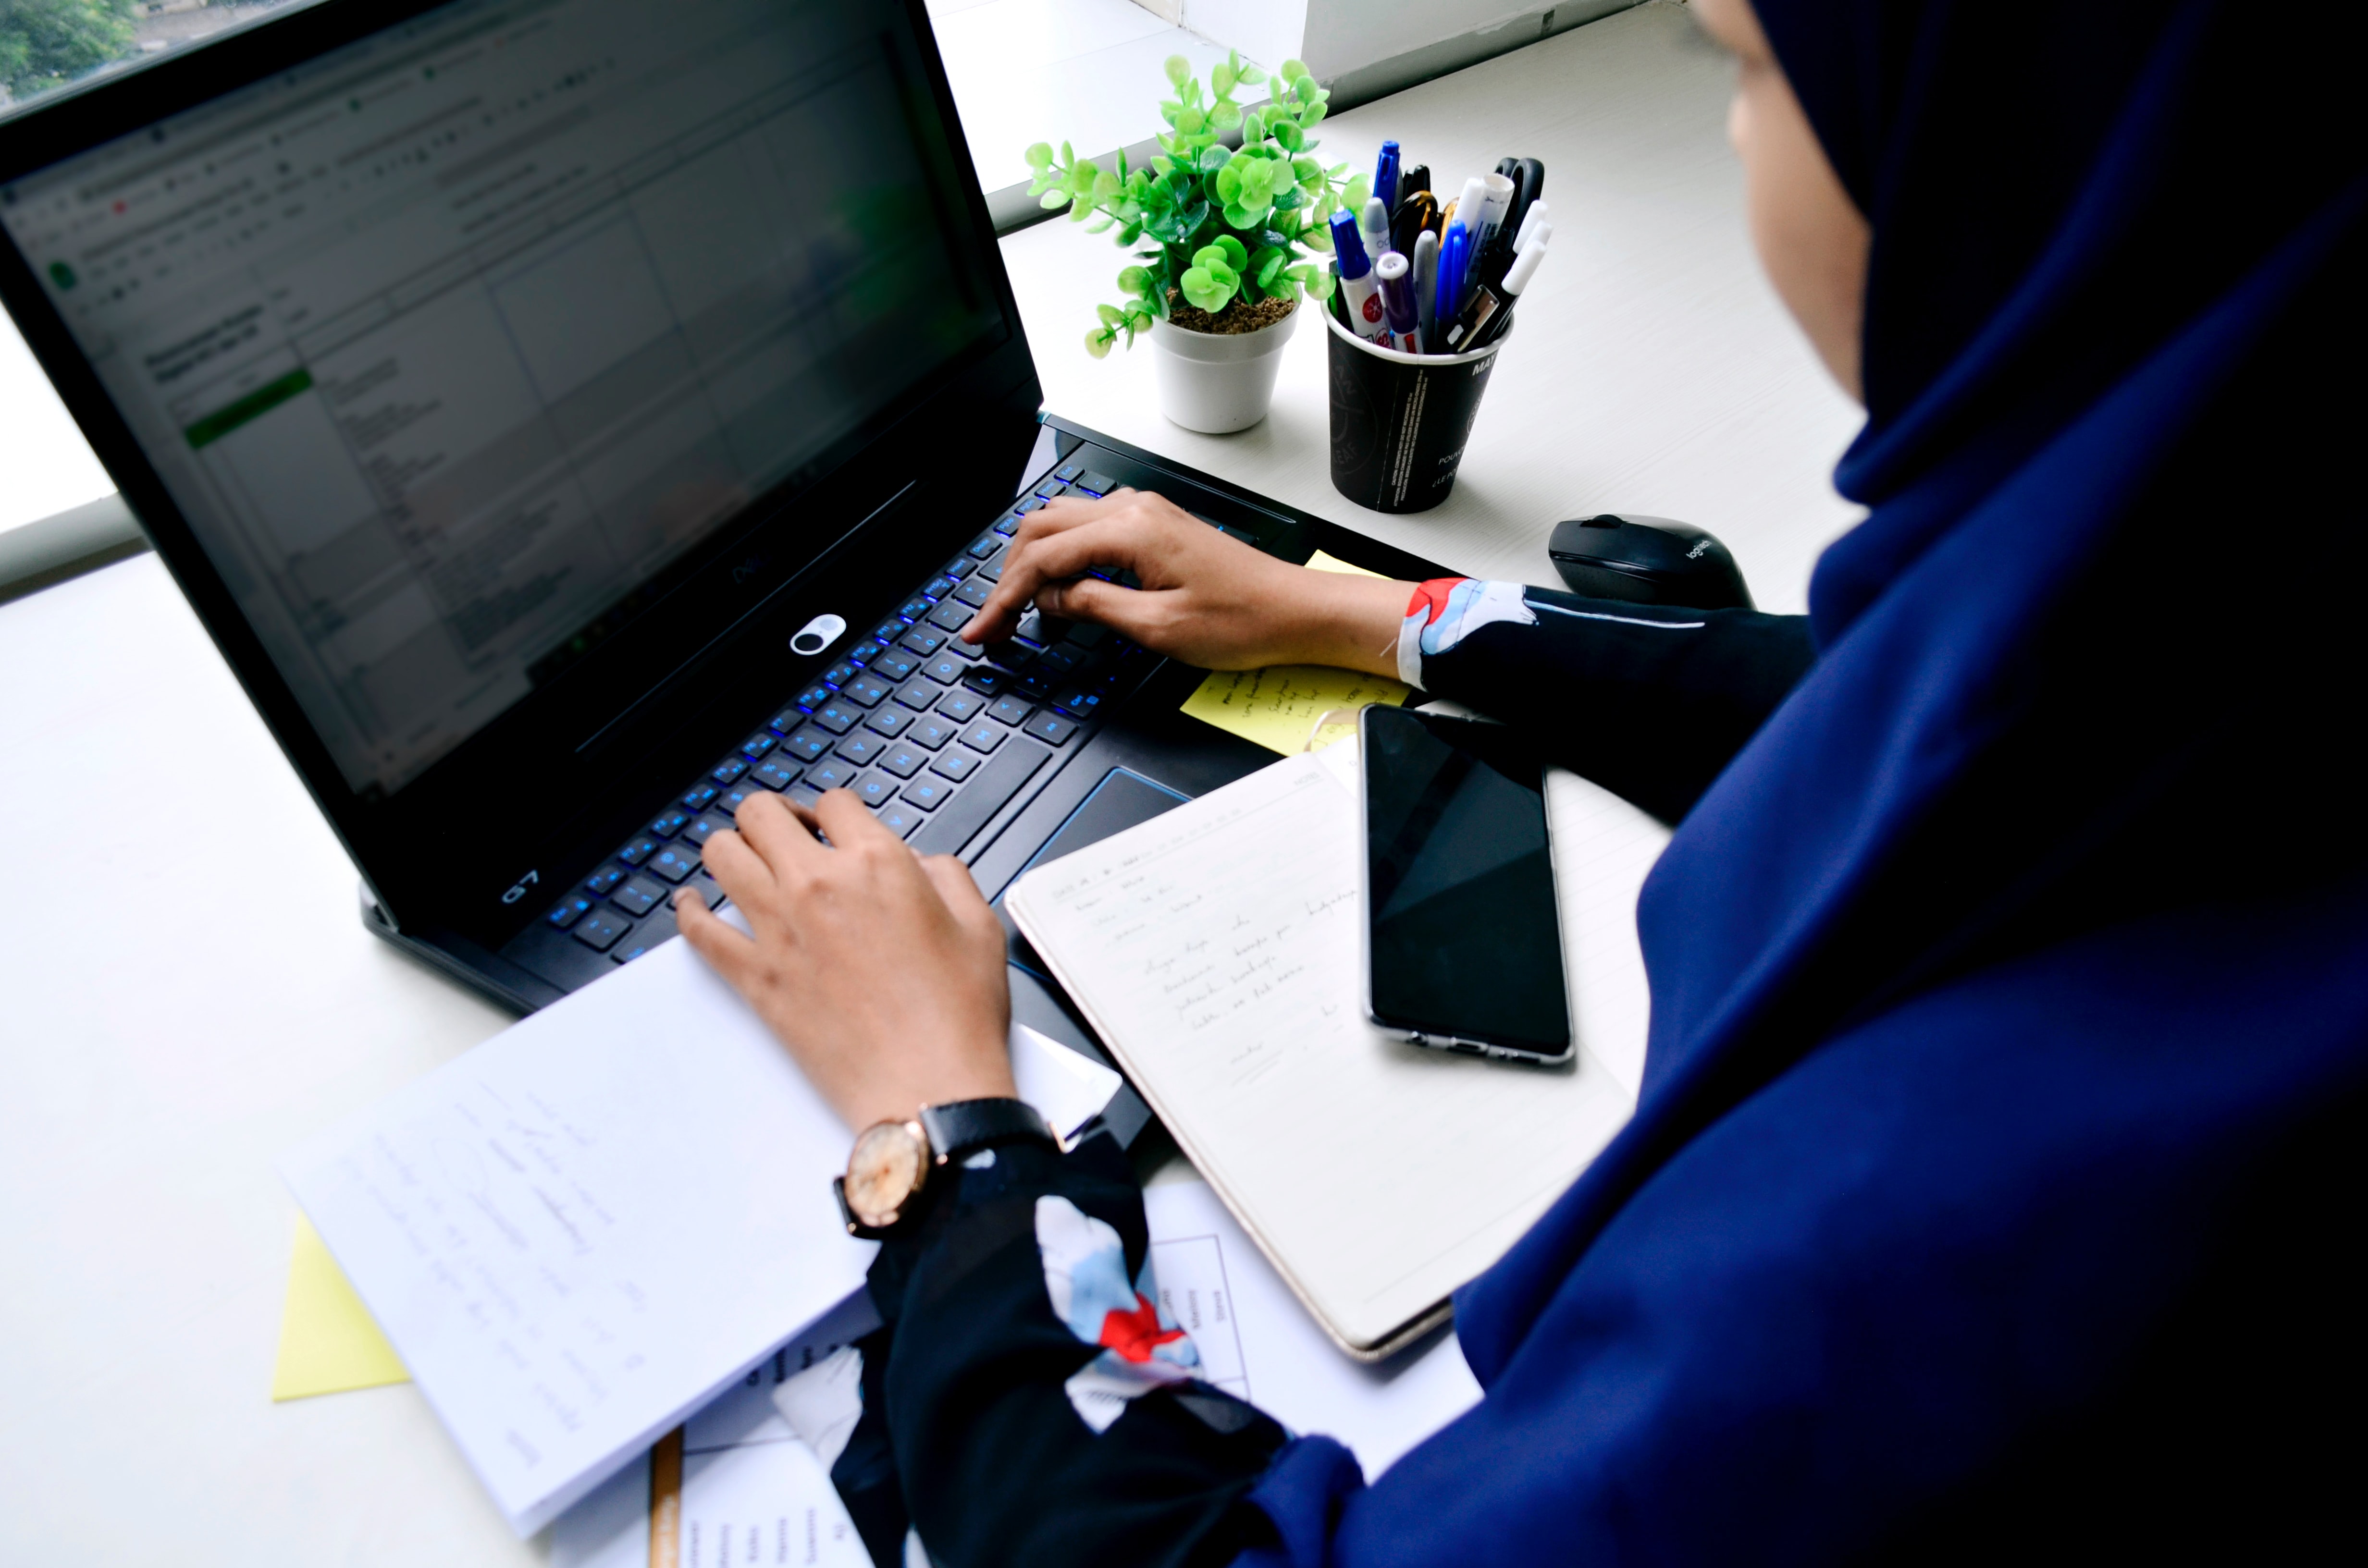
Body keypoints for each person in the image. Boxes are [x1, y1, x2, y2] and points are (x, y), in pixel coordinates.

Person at [671, 0, 2368, 1559]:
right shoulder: (2202, 617)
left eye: (1747, 66)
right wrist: (1360, 610)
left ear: (2010, 150)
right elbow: (1867, 698)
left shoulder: (1940, 1243)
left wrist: (947, 1121)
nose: (1730, 137)